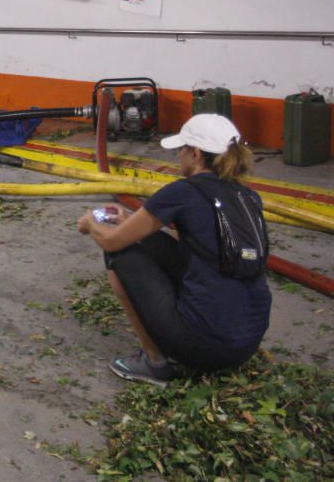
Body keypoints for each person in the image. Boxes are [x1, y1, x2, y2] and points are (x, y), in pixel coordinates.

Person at [77, 114, 271, 386]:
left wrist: (90, 223)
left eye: (180, 150)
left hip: (204, 346)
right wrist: (127, 221)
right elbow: (198, 242)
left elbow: (111, 241)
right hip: (245, 345)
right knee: (147, 241)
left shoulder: (182, 191)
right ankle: (187, 329)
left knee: (119, 254)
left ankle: (154, 363)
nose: (177, 157)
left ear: (195, 153)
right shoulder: (247, 195)